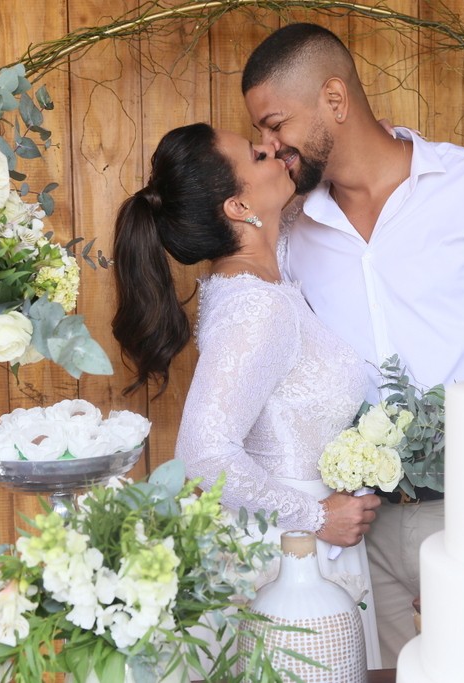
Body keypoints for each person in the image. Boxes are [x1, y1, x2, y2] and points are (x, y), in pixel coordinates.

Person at [242, 23, 464, 667]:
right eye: (261, 134)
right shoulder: (289, 233)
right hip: (361, 533)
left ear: (335, 98)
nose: (270, 148)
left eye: (277, 125)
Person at [111, 122, 384, 668]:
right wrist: (314, 516)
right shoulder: (256, 308)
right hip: (291, 559)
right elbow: (203, 455)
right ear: (237, 207)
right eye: (258, 155)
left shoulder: (257, 274)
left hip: (304, 542)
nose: (273, 150)